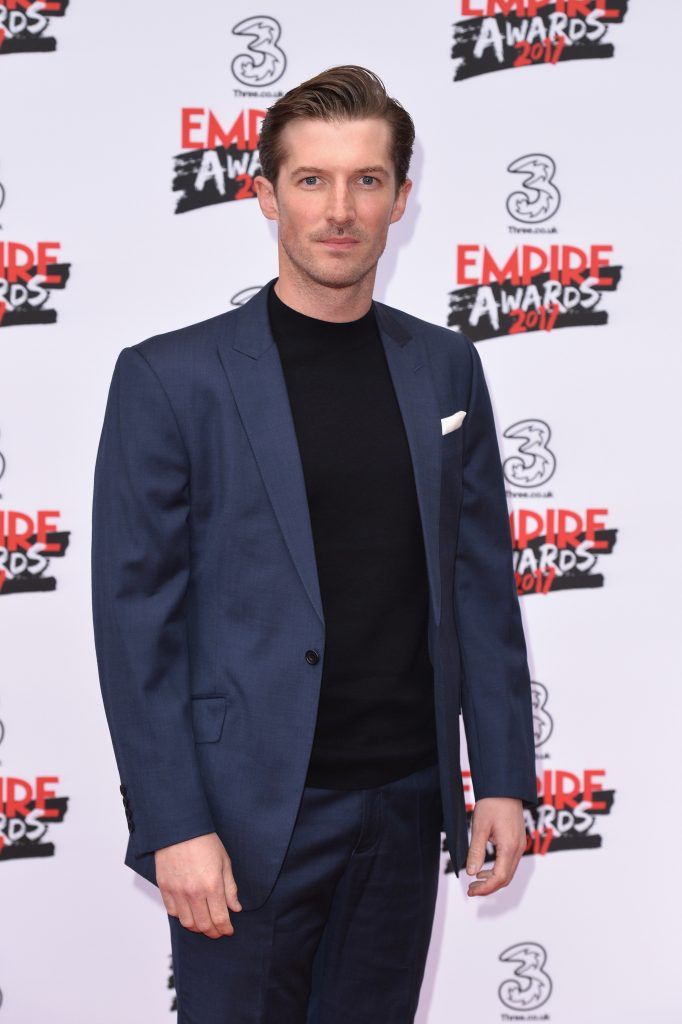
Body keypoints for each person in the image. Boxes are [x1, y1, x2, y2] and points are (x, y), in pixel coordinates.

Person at [91, 64, 538, 1023]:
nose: (341, 210)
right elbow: (137, 627)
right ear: (264, 194)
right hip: (247, 819)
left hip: (406, 802)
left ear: (401, 200)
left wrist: (500, 776)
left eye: (367, 181)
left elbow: (479, 585)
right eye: (312, 180)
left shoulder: (446, 367)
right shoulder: (172, 379)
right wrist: (176, 824)